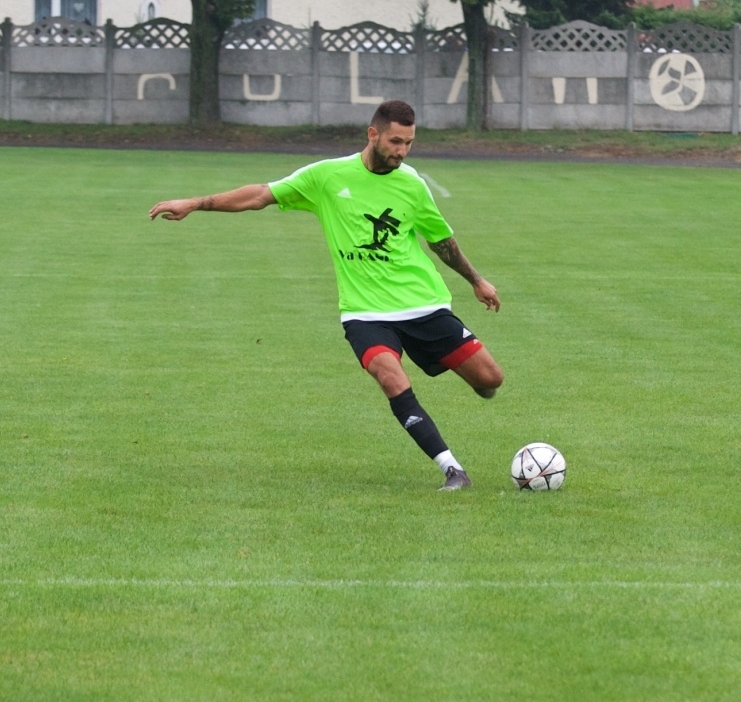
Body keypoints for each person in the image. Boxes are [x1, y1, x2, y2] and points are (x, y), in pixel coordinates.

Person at [148, 99, 503, 491]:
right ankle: (453, 470)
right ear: (373, 134)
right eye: (395, 141)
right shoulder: (327, 177)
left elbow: (441, 241)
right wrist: (196, 204)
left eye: (409, 144)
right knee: (389, 376)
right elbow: (260, 196)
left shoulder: (412, 185)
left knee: (490, 380)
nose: (401, 151)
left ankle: (471, 381)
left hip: (423, 304)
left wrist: (476, 280)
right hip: (365, 313)